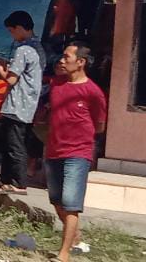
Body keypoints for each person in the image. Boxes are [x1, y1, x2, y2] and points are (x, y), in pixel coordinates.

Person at [45, 44, 107, 262]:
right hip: (53, 150)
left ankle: (64, 255)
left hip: (78, 153)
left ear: (80, 62)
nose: (62, 61)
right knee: (56, 200)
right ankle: (76, 234)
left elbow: (99, 125)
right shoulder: (56, 84)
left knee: (71, 204)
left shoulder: (93, 92)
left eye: (66, 57)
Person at [0, 10, 44, 194]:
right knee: (16, 144)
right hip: (29, 105)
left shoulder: (23, 50)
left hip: (17, 105)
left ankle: (18, 183)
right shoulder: (39, 48)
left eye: (12, 31)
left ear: (21, 28)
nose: (12, 36)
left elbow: (11, 79)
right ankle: (6, 181)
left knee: (14, 147)